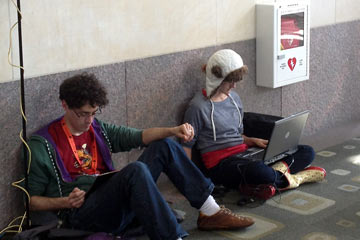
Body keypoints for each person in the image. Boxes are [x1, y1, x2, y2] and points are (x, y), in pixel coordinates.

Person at [26, 72, 254, 240]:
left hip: (113, 201)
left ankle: (210, 210)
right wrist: (63, 201)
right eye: (83, 114)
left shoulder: (97, 128)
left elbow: (138, 136)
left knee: (163, 144)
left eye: (94, 114)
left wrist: (173, 130)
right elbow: (31, 201)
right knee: (135, 171)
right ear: (65, 105)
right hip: (80, 214)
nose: (89, 121)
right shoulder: (42, 143)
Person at [182, 49, 326, 200]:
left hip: (245, 153)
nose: (234, 86)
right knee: (259, 171)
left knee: (306, 151)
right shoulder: (198, 107)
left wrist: (252, 141)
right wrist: (188, 180)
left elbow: (236, 135)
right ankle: (296, 178)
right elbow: (186, 144)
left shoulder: (234, 99)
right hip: (221, 165)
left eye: (235, 81)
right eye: (230, 81)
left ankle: (269, 182)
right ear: (217, 78)